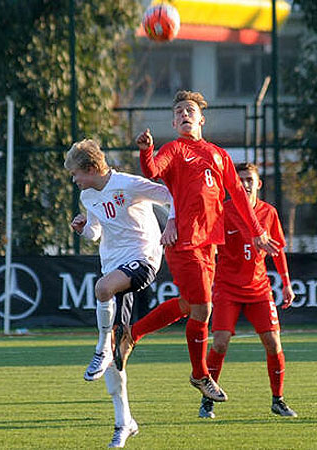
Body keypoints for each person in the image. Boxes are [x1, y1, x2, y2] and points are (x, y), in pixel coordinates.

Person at [116, 90, 281, 404]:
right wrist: (147, 150)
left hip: (209, 244)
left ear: (201, 118)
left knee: (189, 306)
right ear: (175, 122)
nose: (183, 115)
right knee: (203, 308)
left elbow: (238, 196)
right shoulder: (175, 149)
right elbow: (152, 171)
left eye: (188, 110)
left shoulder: (219, 155)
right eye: (178, 112)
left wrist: (257, 231)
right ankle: (199, 374)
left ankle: (132, 334)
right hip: (184, 242)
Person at [64, 139, 173, 448]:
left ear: (90, 168)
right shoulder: (88, 195)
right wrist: (83, 227)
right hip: (113, 263)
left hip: (143, 258)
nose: (74, 181)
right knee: (119, 352)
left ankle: (99, 347)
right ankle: (124, 421)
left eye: (76, 174)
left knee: (101, 288)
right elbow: (96, 232)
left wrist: (171, 225)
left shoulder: (128, 184)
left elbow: (169, 195)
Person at [198, 162, 297, 419]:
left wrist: (286, 283)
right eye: (240, 179)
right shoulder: (223, 211)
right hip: (227, 288)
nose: (245, 184)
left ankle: (278, 399)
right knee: (219, 342)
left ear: (258, 183)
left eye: (249, 179)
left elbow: (278, 249)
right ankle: (207, 400)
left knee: (273, 342)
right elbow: (209, 245)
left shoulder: (269, 213)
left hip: (259, 288)